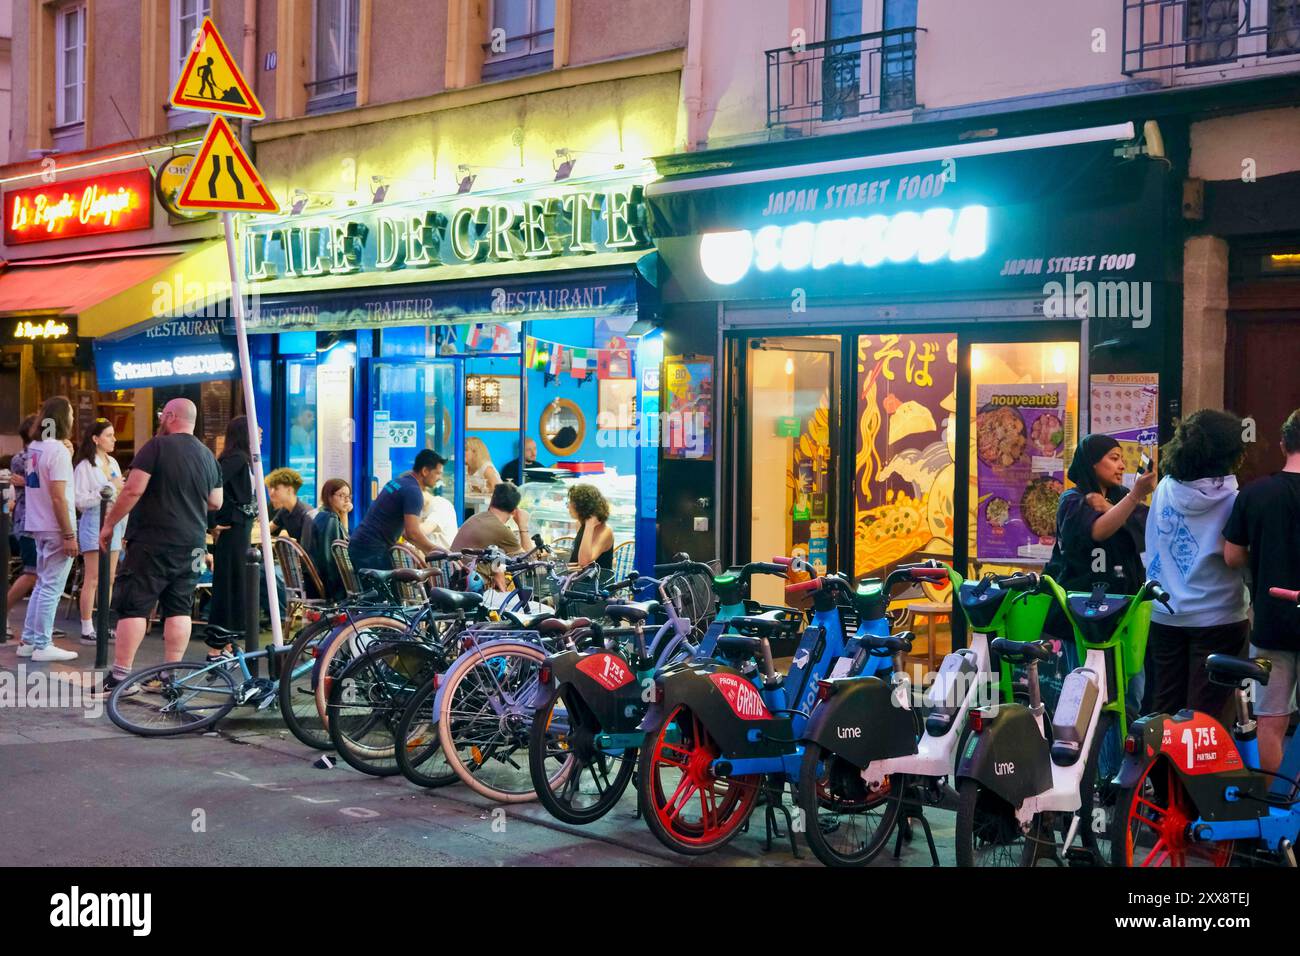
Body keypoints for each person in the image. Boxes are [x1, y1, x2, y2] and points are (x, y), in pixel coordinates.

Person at [95, 398, 222, 697]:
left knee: (135, 606)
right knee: (179, 607)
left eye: (163, 414)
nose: (160, 418)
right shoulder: (207, 456)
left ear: (172, 416)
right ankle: (170, 677)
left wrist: (110, 524)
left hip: (153, 541)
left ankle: (120, 677)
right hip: (192, 542)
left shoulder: (156, 447)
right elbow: (216, 502)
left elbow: (133, 489)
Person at [1143, 410, 1250, 718]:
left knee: (1163, 711)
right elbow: (1236, 555)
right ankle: (1199, 769)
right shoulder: (1234, 500)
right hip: (1219, 616)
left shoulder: (1164, 488)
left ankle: (1159, 766)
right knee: (1207, 718)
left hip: (1165, 613)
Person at [1224, 408, 1300, 773]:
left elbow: (1232, 555)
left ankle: (1271, 815)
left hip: (1271, 622)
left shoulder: (1255, 494)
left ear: (1284, 444)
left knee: (1270, 720)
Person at [1044, 433, 1158, 671]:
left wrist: (1112, 506)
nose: (1122, 465)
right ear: (1092, 462)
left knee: (1131, 690)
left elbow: (1148, 530)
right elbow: (1098, 531)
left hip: (1125, 610)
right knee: (1088, 684)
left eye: (1122, 459)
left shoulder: (1119, 496)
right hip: (1085, 612)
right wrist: (1134, 496)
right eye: (1114, 458)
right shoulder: (1072, 500)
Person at [15, 397, 80, 662]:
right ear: (64, 418)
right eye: (72, 413)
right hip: (56, 526)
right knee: (51, 586)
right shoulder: (57, 451)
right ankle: (42, 643)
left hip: (38, 524)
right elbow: (58, 496)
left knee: (43, 583)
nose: (75, 418)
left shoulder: (35, 448)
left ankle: (30, 640)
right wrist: (68, 534)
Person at [349, 449, 447, 572]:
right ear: (425, 471)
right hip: (372, 552)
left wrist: (417, 549)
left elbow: (405, 532)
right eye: (438, 473)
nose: (440, 478)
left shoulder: (397, 482)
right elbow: (412, 534)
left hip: (360, 545)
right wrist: (437, 551)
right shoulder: (413, 491)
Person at [73, 419, 125, 644]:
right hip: (94, 520)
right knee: (93, 577)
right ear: (96, 439)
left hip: (115, 521)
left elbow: (121, 490)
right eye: (109, 435)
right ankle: (87, 626)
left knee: (110, 578)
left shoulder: (113, 461)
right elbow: (79, 501)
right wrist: (106, 490)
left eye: (113, 435)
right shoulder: (85, 466)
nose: (114, 439)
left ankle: (103, 622)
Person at [207, 417, 256, 632]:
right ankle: (222, 638)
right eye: (256, 430)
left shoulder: (242, 458)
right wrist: (213, 522)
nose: (260, 434)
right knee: (231, 580)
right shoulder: (236, 458)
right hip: (234, 526)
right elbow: (211, 486)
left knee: (235, 579)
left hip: (239, 525)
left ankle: (228, 638)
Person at [6, 414, 40, 639]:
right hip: (28, 522)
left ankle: (37, 625)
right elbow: (39, 483)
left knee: (40, 575)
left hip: (37, 521)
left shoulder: (39, 454)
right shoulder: (25, 457)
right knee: (32, 572)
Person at [451, 481, 531, 556]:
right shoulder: (500, 530)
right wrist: (523, 527)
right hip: (467, 570)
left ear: (491, 501)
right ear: (514, 511)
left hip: (455, 568)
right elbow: (529, 561)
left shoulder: (477, 517)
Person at [309, 478, 352, 601]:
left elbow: (343, 539)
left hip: (315, 578)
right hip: (328, 583)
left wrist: (344, 513)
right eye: (341, 495)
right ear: (329, 496)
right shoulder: (330, 519)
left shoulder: (323, 514)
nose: (346, 500)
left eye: (348, 496)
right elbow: (333, 558)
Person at [267, 467, 318, 553]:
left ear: (289, 490)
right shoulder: (284, 510)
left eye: (276, 489)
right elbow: (267, 529)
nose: (271, 493)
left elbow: (306, 549)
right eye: (271, 488)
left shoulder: (306, 514)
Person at [567, 483, 614, 572]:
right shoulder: (579, 524)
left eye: (571, 503)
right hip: (576, 580)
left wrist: (589, 525)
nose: (568, 506)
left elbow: (584, 563)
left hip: (596, 584)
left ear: (583, 506)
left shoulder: (605, 531)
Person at [420, 486, 459, 552]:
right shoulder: (418, 509)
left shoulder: (441, 505)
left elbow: (423, 530)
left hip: (445, 558)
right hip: (428, 556)